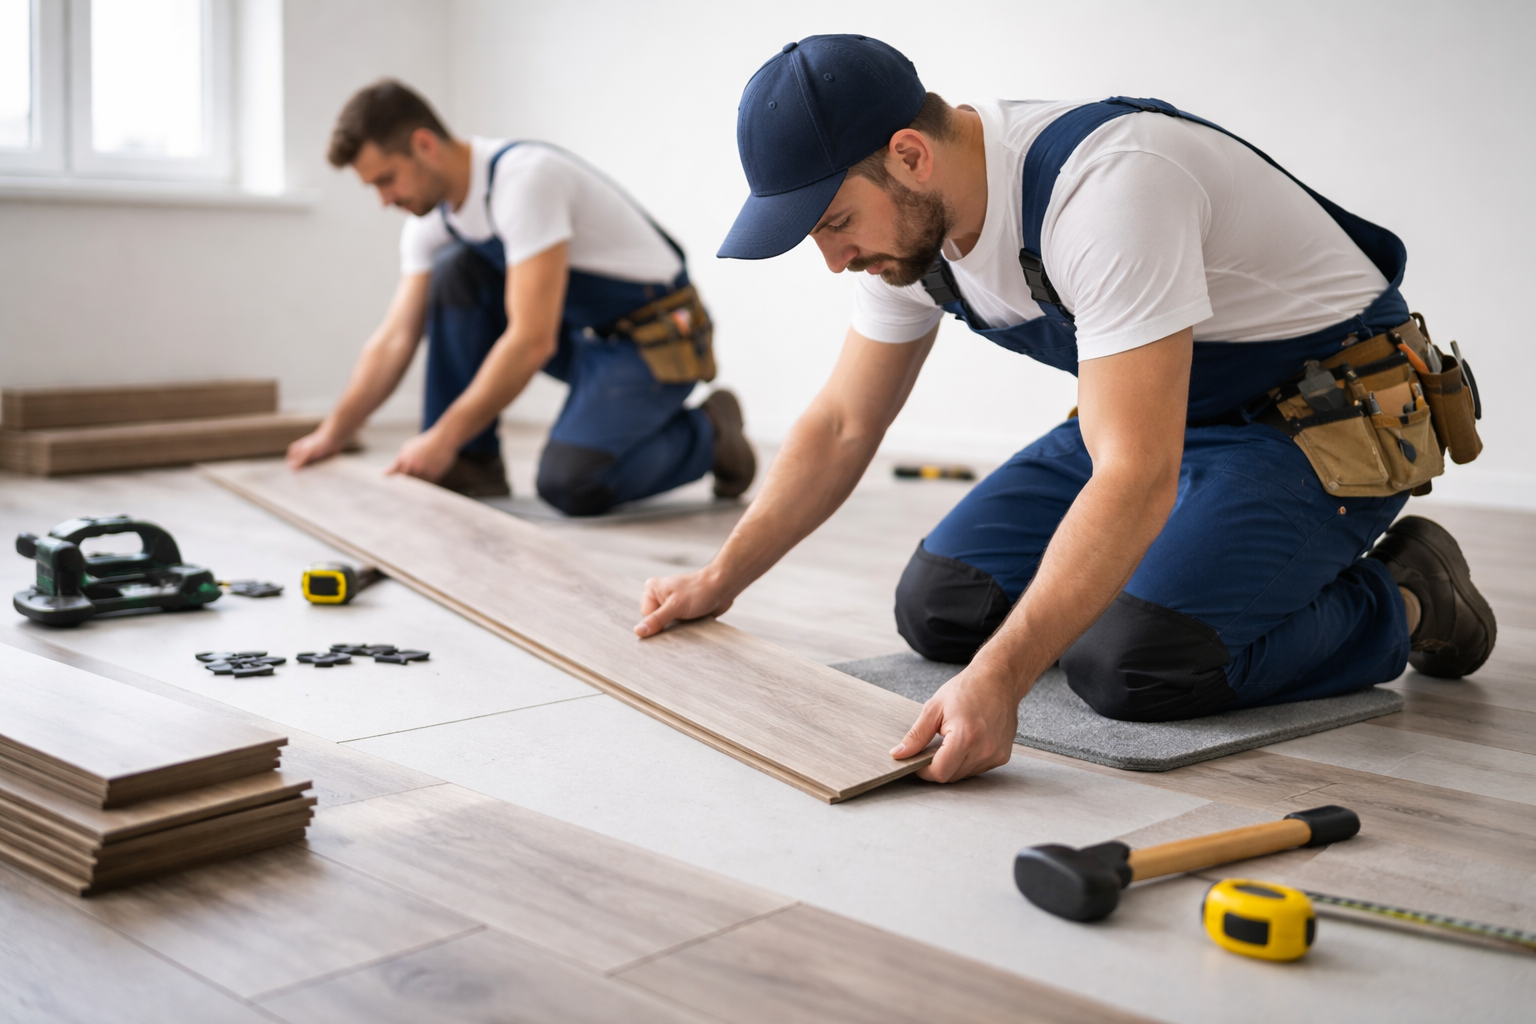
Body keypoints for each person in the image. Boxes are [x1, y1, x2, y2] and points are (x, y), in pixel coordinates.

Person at [633, 35, 1496, 783]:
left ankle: (1408, 592)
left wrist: (1002, 683)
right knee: (942, 606)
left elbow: (1134, 473)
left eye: (834, 223)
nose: (833, 260)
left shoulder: (1107, 185)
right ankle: (1187, 572)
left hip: (1318, 419)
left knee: (1134, 666)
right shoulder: (910, 242)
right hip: (1158, 412)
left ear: (909, 154)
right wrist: (722, 578)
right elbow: (843, 423)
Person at [287, 80, 755, 514]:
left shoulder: (523, 182)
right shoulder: (431, 221)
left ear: (424, 145)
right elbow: (395, 338)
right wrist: (333, 434)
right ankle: (472, 464)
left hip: (655, 341)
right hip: (583, 336)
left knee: (571, 484)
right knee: (456, 271)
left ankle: (710, 433)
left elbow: (532, 340)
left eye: (386, 179)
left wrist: (441, 437)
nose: (384, 199)